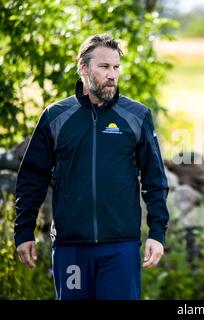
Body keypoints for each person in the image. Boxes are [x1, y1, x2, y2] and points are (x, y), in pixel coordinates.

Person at [14, 34, 170, 300]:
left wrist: (157, 233)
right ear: (84, 69)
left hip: (121, 247)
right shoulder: (56, 116)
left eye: (116, 67)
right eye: (104, 67)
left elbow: (155, 180)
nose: (112, 74)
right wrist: (24, 230)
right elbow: (33, 177)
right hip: (70, 247)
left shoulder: (136, 115)